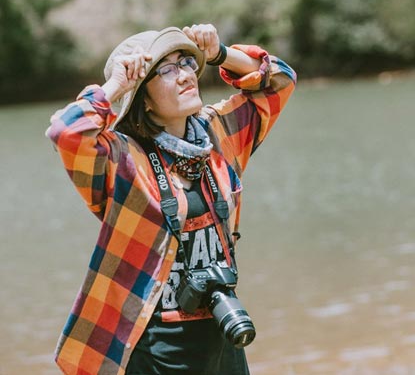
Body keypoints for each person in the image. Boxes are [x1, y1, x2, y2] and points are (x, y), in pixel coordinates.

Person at [46, 24, 296, 375]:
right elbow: (66, 132)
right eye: (165, 70)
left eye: (186, 63)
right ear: (144, 100)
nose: (184, 75)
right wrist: (117, 86)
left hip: (222, 331)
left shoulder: (216, 137)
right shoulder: (123, 161)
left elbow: (279, 81)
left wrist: (220, 54)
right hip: (154, 344)